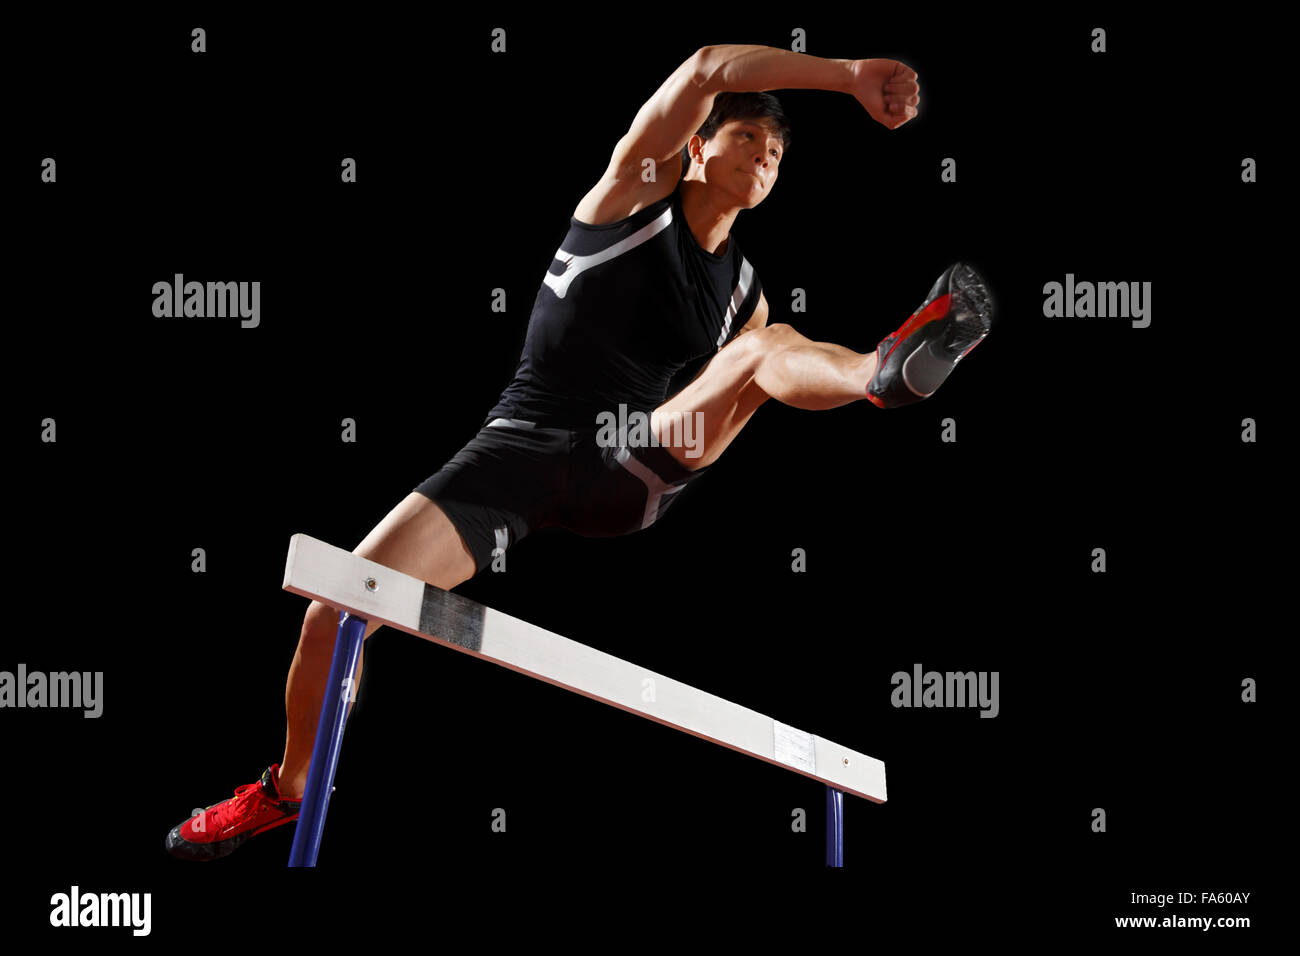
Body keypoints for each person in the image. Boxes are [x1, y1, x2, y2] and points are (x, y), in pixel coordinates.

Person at [165, 43, 990, 860]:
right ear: (699, 143)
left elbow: (756, 377)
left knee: (760, 349)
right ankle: (290, 789)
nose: (764, 159)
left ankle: (880, 373)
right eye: (748, 140)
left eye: (776, 155)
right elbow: (708, 68)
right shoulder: (632, 189)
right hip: (512, 457)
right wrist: (846, 77)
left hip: (631, 462)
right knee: (336, 609)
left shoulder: (744, 294)